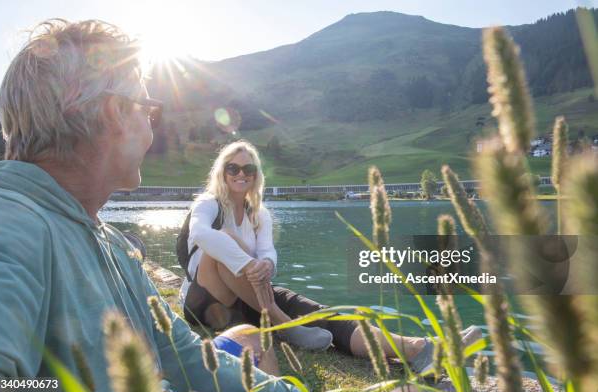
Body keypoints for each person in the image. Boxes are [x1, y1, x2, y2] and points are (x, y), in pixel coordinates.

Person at [0, 19, 299, 392]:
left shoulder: (110, 242)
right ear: (116, 111)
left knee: (248, 337)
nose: (151, 127)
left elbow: (178, 351)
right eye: (148, 110)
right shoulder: (5, 224)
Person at [180, 140, 481, 374]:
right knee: (224, 240)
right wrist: (248, 263)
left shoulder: (259, 214)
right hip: (206, 300)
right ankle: (283, 323)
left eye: (249, 169)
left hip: (251, 294)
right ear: (222, 172)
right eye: (233, 168)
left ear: (257, 176)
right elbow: (200, 234)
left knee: (327, 317)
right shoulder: (208, 203)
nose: (241, 174)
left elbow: (268, 251)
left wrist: (266, 264)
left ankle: (420, 350)